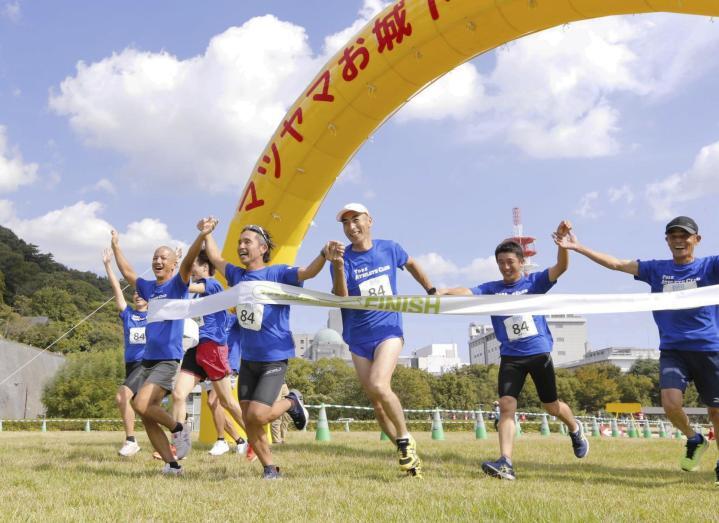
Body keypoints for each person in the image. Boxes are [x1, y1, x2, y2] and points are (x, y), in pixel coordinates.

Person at [555, 215, 719, 483]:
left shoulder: (711, 266)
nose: (679, 241)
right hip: (673, 350)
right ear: (667, 240)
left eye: (684, 236)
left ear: (696, 240)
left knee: (716, 412)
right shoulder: (657, 269)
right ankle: (694, 438)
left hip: (711, 348)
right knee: (670, 404)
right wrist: (578, 247)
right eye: (673, 236)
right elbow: (617, 264)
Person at [438, 222, 588, 481]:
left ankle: (575, 428)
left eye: (510, 262)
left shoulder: (534, 283)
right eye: (500, 263)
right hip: (510, 357)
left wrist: (564, 248)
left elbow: (561, 268)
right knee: (507, 406)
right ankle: (505, 462)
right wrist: (443, 291)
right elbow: (468, 292)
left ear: (521, 261)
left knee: (551, 406)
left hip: (538, 352)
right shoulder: (492, 289)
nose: (505, 267)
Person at [200, 216, 337, 479]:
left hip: (274, 356)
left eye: (247, 241)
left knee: (259, 415)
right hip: (248, 359)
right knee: (248, 418)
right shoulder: (237, 275)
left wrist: (323, 254)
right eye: (239, 242)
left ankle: (291, 401)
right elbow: (216, 258)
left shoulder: (277, 273)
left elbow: (307, 272)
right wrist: (207, 233)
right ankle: (270, 468)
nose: (241, 246)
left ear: (262, 248)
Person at [328, 203, 436, 477]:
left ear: (370, 221)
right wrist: (339, 266)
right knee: (376, 401)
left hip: (388, 331)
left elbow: (411, 263)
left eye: (356, 220)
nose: (351, 227)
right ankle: (407, 455)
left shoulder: (389, 248)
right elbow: (342, 298)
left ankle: (404, 438)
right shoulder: (343, 259)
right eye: (346, 223)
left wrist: (431, 289)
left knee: (379, 383)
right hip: (357, 337)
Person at [111, 228, 204, 475]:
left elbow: (188, 261)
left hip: (167, 359)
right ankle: (172, 465)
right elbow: (128, 272)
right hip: (146, 361)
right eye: (155, 257)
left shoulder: (178, 285)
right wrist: (116, 247)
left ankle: (178, 428)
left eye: (164, 258)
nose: (158, 261)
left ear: (173, 265)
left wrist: (202, 236)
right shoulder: (148, 288)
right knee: (146, 414)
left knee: (142, 403)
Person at [170, 249, 248, 458]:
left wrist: (176, 266)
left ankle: (253, 438)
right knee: (178, 394)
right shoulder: (197, 294)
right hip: (195, 349)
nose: (190, 269)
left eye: (192, 264)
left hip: (213, 349)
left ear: (205, 267)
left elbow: (184, 283)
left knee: (227, 403)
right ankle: (178, 444)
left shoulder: (212, 284)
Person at [103, 248, 147, 457]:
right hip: (130, 366)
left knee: (122, 397)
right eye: (135, 293)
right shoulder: (128, 314)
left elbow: (171, 290)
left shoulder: (156, 315)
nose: (137, 295)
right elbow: (117, 290)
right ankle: (176, 433)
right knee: (144, 409)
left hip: (146, 365)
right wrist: (108, 266)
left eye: (141, 293)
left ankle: (130, 440)